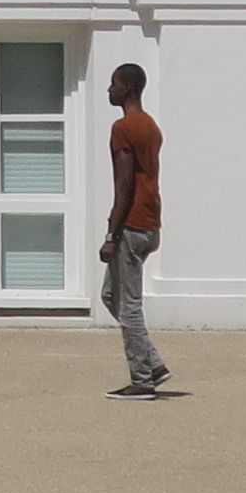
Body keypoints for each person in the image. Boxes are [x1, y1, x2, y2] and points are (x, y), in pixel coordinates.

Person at [101, 63, 173, 398]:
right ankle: (154, 364)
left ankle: (142, 380)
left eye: (113, 84)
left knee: (128, 304)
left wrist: (111, 235)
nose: (109, 90)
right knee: (110, 295)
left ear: (127, 87)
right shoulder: (151, 126)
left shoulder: (124, 127)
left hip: (131, 223)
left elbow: (124, 185)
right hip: (151, 221)